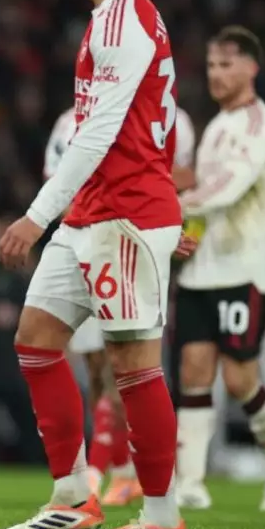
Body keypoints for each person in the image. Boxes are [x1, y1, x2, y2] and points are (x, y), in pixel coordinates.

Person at [0, 0, 191, 529]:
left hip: (127, 215)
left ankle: (161, 518)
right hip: (93, 213)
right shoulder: (112, 17)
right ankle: (73, 496)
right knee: (36, 339)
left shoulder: (123, 21)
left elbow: (99, 133)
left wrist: (35, 217)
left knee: (133, 364)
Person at [174, 26, 265, 511]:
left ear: (252, 67)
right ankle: (190, 482)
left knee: (239, 379)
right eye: (211, 65)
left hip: (243, 269)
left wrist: (174, 205)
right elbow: (203, 194)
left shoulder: (259, 124)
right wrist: (187, 235)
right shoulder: (215, 127)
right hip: (201, 270)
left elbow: (227, 188)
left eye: (226, 64)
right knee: (193, 370)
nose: (216, 74)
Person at [45, 105, 196, 506]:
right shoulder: (67, 122)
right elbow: (56, 183)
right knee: (98, 371)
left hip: (134, 249)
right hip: (83, 247)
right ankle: (125, 471)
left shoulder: (170, 117)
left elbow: (187, 178)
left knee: (127, 364)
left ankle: (107, 474)